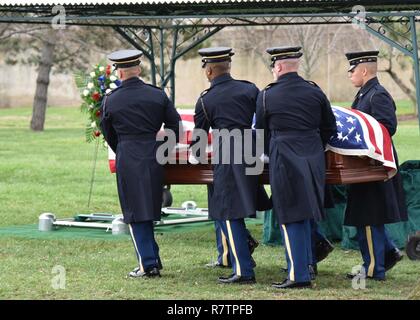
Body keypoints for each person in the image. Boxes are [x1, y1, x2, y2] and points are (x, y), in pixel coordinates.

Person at [256, 46, 336, 289]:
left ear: (278, 67)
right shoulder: (315, 91)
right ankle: (307, 265)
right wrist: (313, 146)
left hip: (284, 155)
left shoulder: (267, 95)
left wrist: (274, 150)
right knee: (306, 212)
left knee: (290, 215)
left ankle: (298, 275)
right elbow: (329, 127)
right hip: (313, 155)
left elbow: (260, 133)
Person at [100, 49, 182, 278]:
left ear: (120, 72)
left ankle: (148, 265)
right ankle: (152, 259)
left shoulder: (111, 99)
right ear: (138, 70)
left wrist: (123, 149)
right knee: (147, 207)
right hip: (153, 154)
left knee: (135, 212)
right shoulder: (156, 95)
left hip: (128, 154)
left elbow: (108, 132)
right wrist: (163, 150)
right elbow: (175, 126)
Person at [190, 47, 267, 284]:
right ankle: (245, 246)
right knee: (239, 205)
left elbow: (200, 137)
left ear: (209, 70)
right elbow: (263, 120)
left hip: (228, 155)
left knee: (228, 210)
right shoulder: (250, 89)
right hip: (253, 153)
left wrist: (195, 154)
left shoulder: (206, 99)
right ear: (229, 67)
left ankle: (243, 270)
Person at [344, 50, 407, 281]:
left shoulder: (376, 95)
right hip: (364, 165)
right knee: (368, 214)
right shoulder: (365, 94)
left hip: (374, 165)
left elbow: (386, 127)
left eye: (352, 71)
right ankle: (388, 252)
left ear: (363, 70)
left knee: (369, 217)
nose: (350, 75)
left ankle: (373, 269)